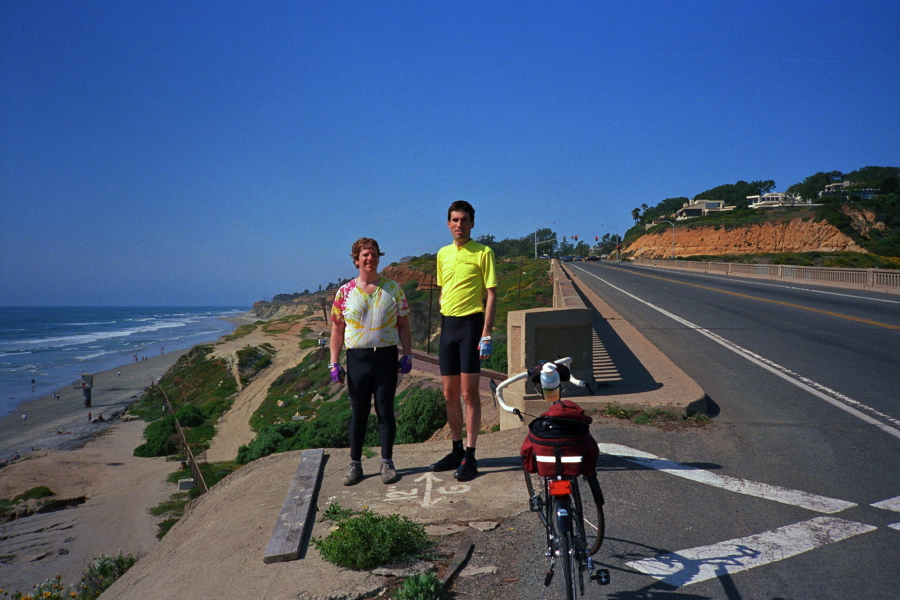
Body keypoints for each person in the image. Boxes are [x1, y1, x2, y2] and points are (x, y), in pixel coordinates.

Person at [330, 237, 413, 486]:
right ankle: (355, 465)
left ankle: (387, 462)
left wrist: (407, 354)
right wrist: (333, 363)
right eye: (364, 254)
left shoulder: (393, 289)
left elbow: (404, 325)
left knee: (386, 411)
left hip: (386, 357)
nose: (370, 258)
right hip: (357, 359)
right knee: (359, 413)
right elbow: (336, 330)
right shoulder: (344, 292)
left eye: (374, 254)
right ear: (356, 260)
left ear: (378, 257)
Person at [431, 200, 497, 482]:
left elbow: (491, 294)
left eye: (464, 220)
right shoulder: (442, 254)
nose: (459, 225)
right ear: (448, 224)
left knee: (470, 394)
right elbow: (444, 290)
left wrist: (486, 332)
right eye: (455, 220)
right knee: (449, 394)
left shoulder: (484, 252)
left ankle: (471, 456)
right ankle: (456, 450)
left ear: (472, 223)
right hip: (448, 326)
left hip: (471, 325)